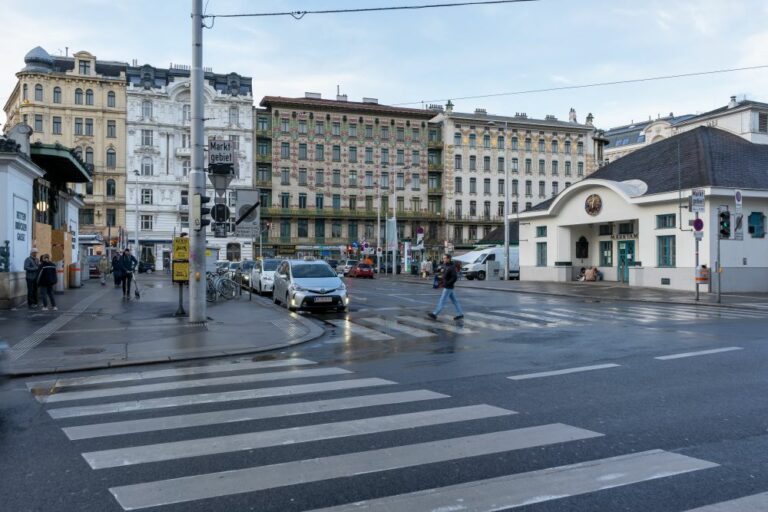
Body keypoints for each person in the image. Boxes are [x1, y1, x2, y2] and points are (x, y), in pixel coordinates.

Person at [428, 254, 464, 321]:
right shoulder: (445, 266)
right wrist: (440, 273)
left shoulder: (451, 267)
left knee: (442, 301)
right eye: (443, 258)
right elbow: (443, 273)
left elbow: (455, 277)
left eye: (445, 258)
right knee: (455, 301)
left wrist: (447, 283)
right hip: (448, 286)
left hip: (448, 287)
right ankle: (460, 314)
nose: (443, 259)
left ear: (448, 259)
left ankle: (435, 314)